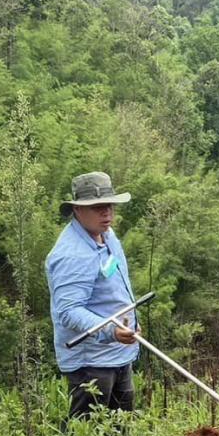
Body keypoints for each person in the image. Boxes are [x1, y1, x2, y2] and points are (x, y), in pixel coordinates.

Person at [45, 172, 140, 419]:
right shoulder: (71, 254)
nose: (106, 213)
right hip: (91, 362)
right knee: (88, 432)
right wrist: (110, 330)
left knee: (121, 428)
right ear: (77, 210)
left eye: (109, 206)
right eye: (97, 208)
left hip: (118, 353)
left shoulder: (106, 235)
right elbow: (69, 311)